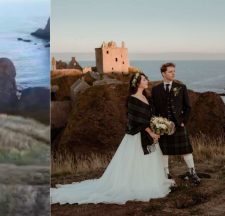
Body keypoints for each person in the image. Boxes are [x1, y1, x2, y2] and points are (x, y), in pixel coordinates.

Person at [51, 72, 174, 205]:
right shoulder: (132, 99)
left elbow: (150, 117)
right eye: (144, 79)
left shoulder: (147, 97)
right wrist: (150, 132)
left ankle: (150, 181)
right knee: (135, 162)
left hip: (149, 134)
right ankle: (136, 185)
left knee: (149, 159)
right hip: (137, 136)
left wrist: (158, 127)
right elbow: (136, 120)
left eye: (146, 78)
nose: (147, 80)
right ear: (137, 83)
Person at [151, 62, 200, 185]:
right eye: (170, 71)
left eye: (174, 71)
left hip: (178, 125)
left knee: (186, 150)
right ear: (163, 73)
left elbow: (188, 107)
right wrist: (157, 124)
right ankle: (166, 174)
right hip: (162, 126)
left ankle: (192, 172)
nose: (173, 73)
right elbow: (154, 109)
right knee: (164, 151)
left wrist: (183, 121)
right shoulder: (155, 89)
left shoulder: (181, 87)